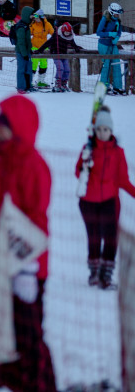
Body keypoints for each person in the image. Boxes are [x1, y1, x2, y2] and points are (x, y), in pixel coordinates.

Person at [0, 95, 56, 391]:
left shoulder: (33, 165)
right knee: (1, 335)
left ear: (19, 128)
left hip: (26, 269)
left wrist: (27, 268)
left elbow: (36, 220)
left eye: (2, 126)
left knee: (28, 337)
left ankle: (41, 385)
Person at [75, 108, 134, 289]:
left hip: (110, 201)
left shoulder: (118, 153)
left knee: (110, 238)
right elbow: (78, 173)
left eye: (106, 130)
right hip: (88, 202)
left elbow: (123, 180)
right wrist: (85, 166)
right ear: (95, 130)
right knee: (94, 237)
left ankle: (106, 276)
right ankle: (94, 273)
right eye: (99, 129)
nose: (102, 133)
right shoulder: (88, 149)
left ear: (111, 131)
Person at [35, 21, 84, 91]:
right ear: (63, 31)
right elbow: (48, 43)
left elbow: (73, 43)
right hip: (56, 54)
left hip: (64, 54)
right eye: (66, 33)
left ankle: (64, 83)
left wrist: (76, 48)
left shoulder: (70, 37)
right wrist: (40, 50)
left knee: (67, 69)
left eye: (68, 33)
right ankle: (58, 83)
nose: (67, 34)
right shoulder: (57, 35)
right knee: (60, 68)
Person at [96, 3, 125, 95]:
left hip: (113, 44)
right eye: (116, 14)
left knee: (116, 64)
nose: (118, 15)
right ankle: (104, 86)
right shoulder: (105, 19)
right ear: (112, 13)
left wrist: (116, 38)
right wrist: (109, 34)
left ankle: (117, 86)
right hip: (104, 44)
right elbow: (98, 32)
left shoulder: (118, 21)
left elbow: (119, 32)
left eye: (118, 14)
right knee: (106, 66)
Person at [10, 6, 33, 92]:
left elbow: (27, 40)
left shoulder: (26, 25)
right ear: (27, 15)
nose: (32, 17)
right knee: (21, 69)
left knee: (28, 69)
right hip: (21, 52)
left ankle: (28, 86)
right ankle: (21, 87)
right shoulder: (21, 27)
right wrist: (24, 54)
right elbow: (21, 42)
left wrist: (29, 50)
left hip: (26, 52)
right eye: (31, 16)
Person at [28, 10, 54, 88]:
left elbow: (53, 33)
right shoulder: (33, 24)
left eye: (37, 17)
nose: (35, 19)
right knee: (34, 64)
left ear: (41, 17)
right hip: (34, 46)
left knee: (44, 64)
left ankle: (41, 81)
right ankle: (30, 81)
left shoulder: (47, 24)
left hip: (44, 47)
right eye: (34, 17)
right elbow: (29, 32)